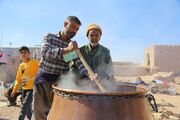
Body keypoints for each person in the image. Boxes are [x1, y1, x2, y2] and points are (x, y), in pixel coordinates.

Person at [34, 16, 88, 120]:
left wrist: (88, 74)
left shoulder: (72, 45)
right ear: (65, 24)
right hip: (43, 82)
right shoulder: (50, 37)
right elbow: (45, 53)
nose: (74, 31)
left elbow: (77, 62)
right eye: (73, 27)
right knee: (40, 115)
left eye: (77, 29)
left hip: (60, 84)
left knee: (59, 114)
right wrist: (67, 49)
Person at [11, 46, 39, 120]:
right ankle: (30, 118)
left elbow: (41, 72)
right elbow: (18, 79)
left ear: (28, 53)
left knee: (24, 106)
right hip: (24, 89)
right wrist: (14, 90)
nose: (23, 54)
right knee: (28, 108)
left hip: (32, 89)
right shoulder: (21, 66)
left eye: (25, 52)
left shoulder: (35, 63)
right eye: (21, 53)